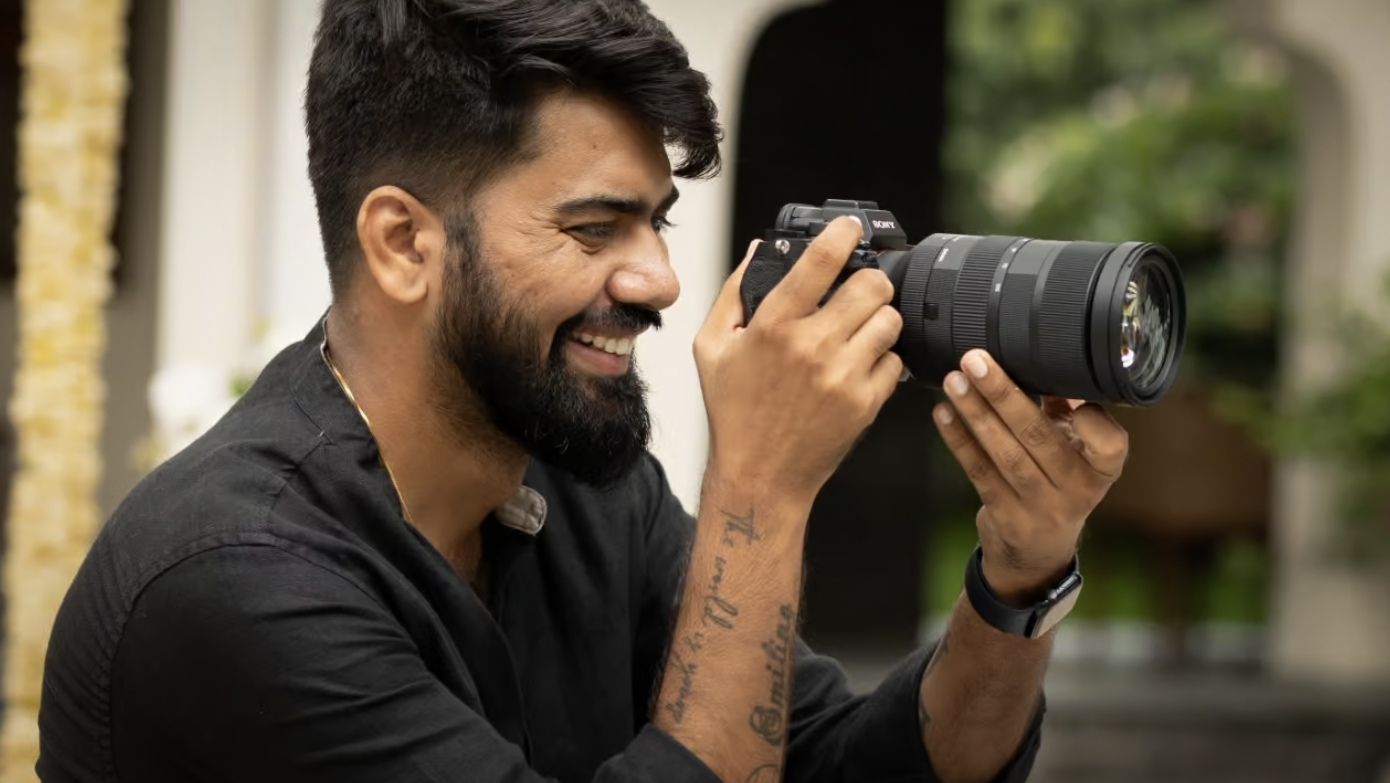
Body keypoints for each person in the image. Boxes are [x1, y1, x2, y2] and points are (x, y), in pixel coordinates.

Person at [37, 1, 1129, 781]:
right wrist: (761, 485)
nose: (657, 278)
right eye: (593, 227)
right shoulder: (233, 580)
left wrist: (1018, 579)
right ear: (403, 243)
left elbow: (850, 766)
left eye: (657, 221)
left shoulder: (589, 487)